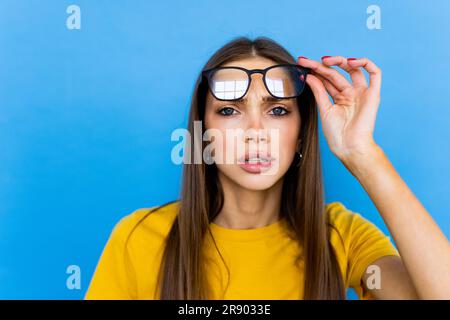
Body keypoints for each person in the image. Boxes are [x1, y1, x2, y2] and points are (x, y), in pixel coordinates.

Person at [85, 36, 450, 300]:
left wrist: (363, 154)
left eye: (278, 110)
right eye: (229, 110)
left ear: (302, 132)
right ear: (203, 134)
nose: (255, 133)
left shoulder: (342, 236)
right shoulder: (139, 238)